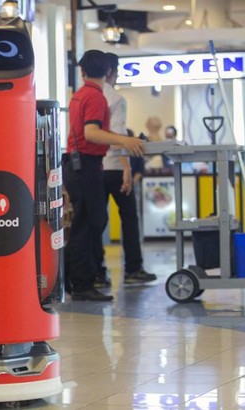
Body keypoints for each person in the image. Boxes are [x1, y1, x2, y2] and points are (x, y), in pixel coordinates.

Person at [63, 50, 145, 302]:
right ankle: (82, 284)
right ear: (109, 72)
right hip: (85, 164)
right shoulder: (96, 98)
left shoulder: (79, 95)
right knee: (90, 224)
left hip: (77, 164)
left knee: (87, 223)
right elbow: (92, 133)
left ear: (82, 71)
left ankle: (78, 281)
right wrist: (125, 140)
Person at [99, 54, 156, 285]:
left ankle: (96, 273)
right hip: (114, 166)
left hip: (93, 167)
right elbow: (118, 137)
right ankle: (133, 269)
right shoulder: (116, 98)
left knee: (95, 222)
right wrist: (126, 169)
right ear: (111, 71)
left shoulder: (84, 97)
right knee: (130, 219)